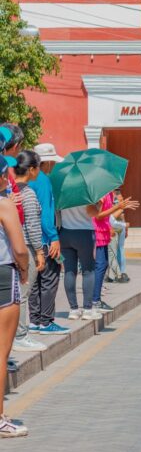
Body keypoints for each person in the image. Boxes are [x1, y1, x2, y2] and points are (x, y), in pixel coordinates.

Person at [0, 156, 31, 438]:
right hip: (2, 274)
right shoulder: (4, 204)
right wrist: (24, 269)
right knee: (1, 351)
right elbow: (20, 249)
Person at [28, 143, 68, 335]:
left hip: (30, 238)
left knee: (34, 282)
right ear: (48, 162)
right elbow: (45, 214)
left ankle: (35, 320)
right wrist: (54, 238)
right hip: (45, 239)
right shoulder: (43, 180)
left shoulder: (28, 180)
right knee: (50, 279)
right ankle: (46, 322)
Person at [11, 151, 47, 353]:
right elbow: (33, 226)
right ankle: (20, 336)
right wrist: (40, 252)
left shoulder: (12, 190)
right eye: (39, 167)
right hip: (27, 248)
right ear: (32, 169)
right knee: (23, 293)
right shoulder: (29, 193)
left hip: (13, 247)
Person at [92, 191, 139, 311]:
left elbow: (109, 217)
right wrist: (118, 207)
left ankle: (94, 300)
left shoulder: (108, 194)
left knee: (102, 265)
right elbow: (98, 215)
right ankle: (94, 301)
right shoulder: (101, 195)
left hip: (103, 233)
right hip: (97, 234)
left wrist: (121, 208)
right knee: (98, 266)